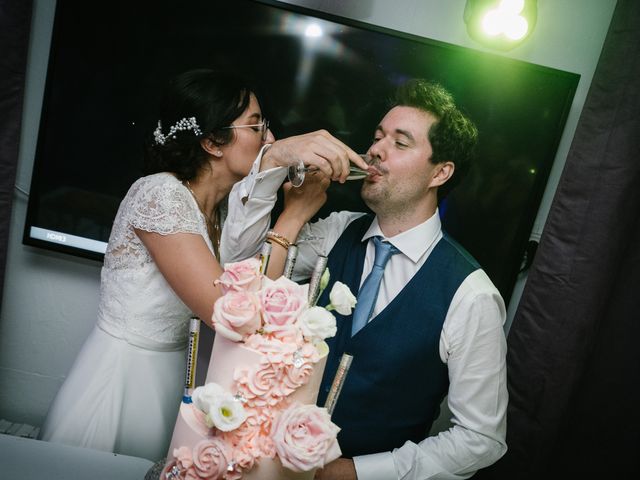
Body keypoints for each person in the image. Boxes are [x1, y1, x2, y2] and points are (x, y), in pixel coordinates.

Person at [38, 68, 367, 461]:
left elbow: (257, 286)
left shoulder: (225, 212)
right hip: (121, 378)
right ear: (213, 141)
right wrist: (291, 217)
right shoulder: (159, 194)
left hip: (171, 374)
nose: (270, 138)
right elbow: (228, 312)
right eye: (256, 126)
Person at [220, 79, 508, 479]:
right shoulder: (338, 231)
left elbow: (480, 437)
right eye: (377, 137)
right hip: (263, 464)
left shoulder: (472, 296)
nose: (375, 149)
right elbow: (236, 273)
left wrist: (357, 472)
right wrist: (274, 160)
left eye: (400, 142)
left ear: (440, 172)